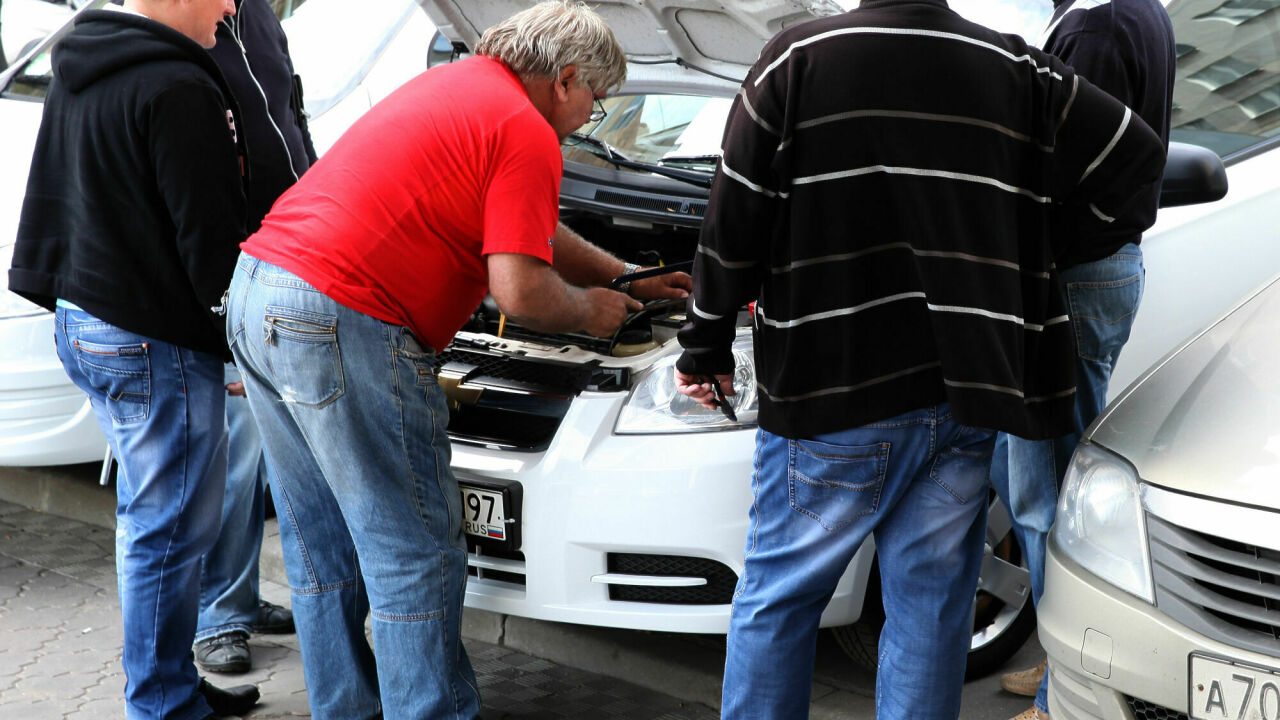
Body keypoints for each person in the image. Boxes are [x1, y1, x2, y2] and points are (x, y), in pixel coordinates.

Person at [672, 1, 1166, 718]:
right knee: (932, 607)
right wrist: (1038, 251)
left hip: (830, 391)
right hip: (961, 395)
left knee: (780, 600)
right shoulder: (1014, 66)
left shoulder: (796, 61)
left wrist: (704, 344)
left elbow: (732, 222)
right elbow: (1137, 156)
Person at [223, 2, 691, 717]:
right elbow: (523, 290)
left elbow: (527, 227)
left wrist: (619, 275)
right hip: (341, 316)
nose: (589, 119)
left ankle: (347, 709)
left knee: (321, 545)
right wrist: (590, 312)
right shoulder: (524, 130)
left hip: (261, 293)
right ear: (565, 79)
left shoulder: (462, 88)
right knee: (414, 551)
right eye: (596, 103)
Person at [7, 0, 261, 718]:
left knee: (151, 520)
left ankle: (170, 681)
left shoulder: (84, 61)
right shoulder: (179, 85)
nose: (231, 7)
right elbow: (209, 238)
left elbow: (54, 199)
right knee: (169, 528)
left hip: (86, 321)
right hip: (153, 339)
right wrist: (238, 347)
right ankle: (162, 702)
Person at [992, 1, 1176, 718]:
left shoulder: (1096, 27)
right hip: (1101, 268)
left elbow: (1065, 170)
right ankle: (1058, 667)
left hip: (1072, 274)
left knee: (1045, 497)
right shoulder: (1139, 11)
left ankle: (1068, 691)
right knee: (1053, 480)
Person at [192, 0, 316, 675]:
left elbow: (292, 120)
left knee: (270, 455)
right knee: (235, 454)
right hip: (229, 262)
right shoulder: (190, 24)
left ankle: (238, 595)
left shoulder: (263, 19)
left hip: (290, 250)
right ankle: (218, 617)